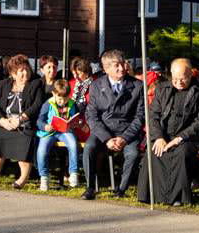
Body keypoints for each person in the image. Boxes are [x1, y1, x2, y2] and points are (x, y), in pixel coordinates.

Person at [138, 58, 199, 206]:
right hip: (163, 134)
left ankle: (176, 197)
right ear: (171, 74)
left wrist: (179, 138)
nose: (179, 82)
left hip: (187, 137)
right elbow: (153, 115)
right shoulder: (162, 88)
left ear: (191, 74)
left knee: (180, 153)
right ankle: (154, 194)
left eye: (183, 78)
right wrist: (158, 137)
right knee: (155, 151)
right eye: (175, 78)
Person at [83, 49, 145, 199]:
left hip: (127, 131)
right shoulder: (96, 85)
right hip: (104, 130)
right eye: (116, 65)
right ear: (106, 69)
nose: (122, 68)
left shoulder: (138, 86)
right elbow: (91, 115)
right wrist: (107, 139)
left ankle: (121, 189)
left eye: (123, 64)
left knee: (133, 153)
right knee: (89, 148)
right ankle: (90, 187)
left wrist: (124, 138)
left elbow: (140, 116)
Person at [0, 54, 44, 189]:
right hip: (6, 121)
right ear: (13, 73)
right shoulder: (3, 84)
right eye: (21, 70)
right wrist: (2, 120)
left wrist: (21, 119)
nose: (25, 72)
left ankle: (23, 177)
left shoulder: (36, 83)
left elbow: (37, 105)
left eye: (26, 69)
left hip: (25, 123)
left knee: (24, 138)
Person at [36, 79, 81, 191]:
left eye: (65, 98)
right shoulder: (48, 104)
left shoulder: (72, 103)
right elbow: (39, 120)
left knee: (73, 144)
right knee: (42, 150)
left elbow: (76, 117)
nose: (62, 101)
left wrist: (76, 123)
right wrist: (45, 126)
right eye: (60, 98)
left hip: (65, 131)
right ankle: (44, 177)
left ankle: (73, 173)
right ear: (54, 94)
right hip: (49, 132)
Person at [68, 56, 94, 144]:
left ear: (86, 73)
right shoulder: (71, 84)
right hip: (73, 123)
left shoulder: (96, 85)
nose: (75, 77)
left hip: (89, 124)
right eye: (73, 74)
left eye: (78, 74)